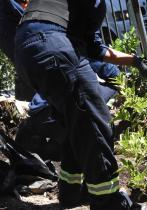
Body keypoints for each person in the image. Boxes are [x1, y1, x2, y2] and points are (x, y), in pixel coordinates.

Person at [15, 0, 147, 209]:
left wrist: (136, 62)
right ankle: (109, 201)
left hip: (27, 52)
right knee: (95, 121)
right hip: (52, 44)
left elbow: (94, 49)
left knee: (76, 121)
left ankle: (71, 192)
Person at [0, 0, 120, 161]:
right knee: (90, 119)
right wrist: (116, 75)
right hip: (46, 55)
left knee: (77, 121)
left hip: (35, 56)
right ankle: (42, 125)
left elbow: (89, 47)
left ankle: (49, 129)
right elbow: (89, 48)